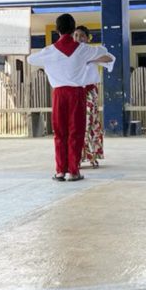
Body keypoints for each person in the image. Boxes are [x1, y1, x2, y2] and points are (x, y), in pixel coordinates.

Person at [27, 14, 113, 181]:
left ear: (57, 30)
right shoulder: (83, 49)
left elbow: (31, 59)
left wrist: (51, 61)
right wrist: (90, 58)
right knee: (76, 132)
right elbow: (105, 53)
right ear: (73, 30)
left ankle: (60, 171)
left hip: (58, 94)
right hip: (77, 94)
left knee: (59, 133)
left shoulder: (49, 51)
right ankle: (74, 171)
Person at [73, 26, 115, 168]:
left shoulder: (91, 51)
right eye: (76, 35)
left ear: (87, 38)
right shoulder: (70, 52)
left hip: (90, 91)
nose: (78, 38)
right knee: (76, 124)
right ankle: (77, 157)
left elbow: (109, 58)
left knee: (90, 123)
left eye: (82, 36)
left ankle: (91, 156)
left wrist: (91, 58)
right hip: (75, 91)